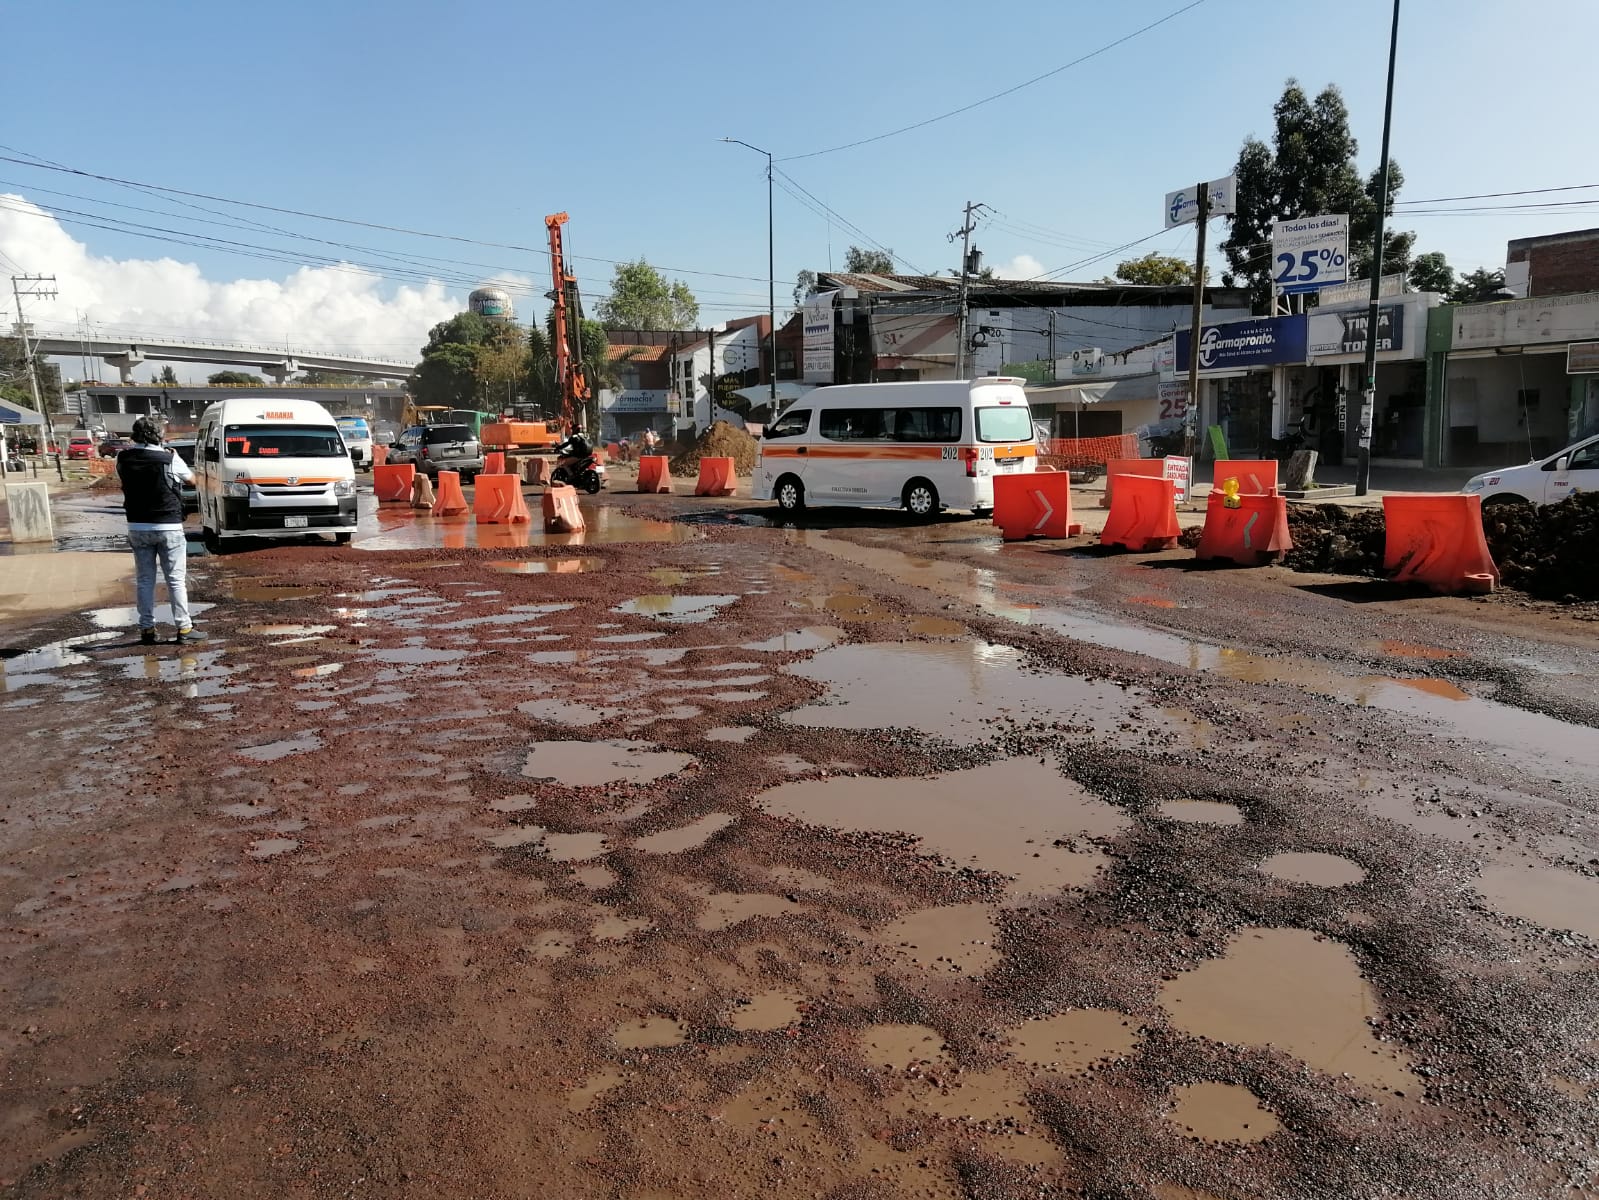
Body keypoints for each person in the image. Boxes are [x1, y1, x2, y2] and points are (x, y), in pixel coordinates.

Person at [117, 416, 202, 645]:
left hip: (137, 525)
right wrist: (170, 455)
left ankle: (147, 629)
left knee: (145, 580)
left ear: (135, 435)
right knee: (175, 580)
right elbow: (192, 481)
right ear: (159, 435)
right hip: (169, 525)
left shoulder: (122, 458)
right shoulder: (169, 459)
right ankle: (184, 629)